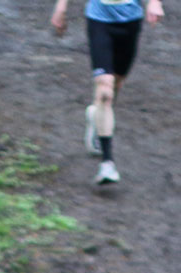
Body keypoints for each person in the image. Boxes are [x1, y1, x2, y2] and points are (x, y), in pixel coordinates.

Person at [50, 0, 164, 186]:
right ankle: (107, 163)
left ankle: (96, 117)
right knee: (105, 88)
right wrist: (61, 7)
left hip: (130, 20)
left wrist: (154, 2)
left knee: (116, 84)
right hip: (99, 19)